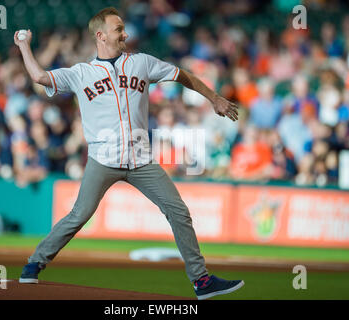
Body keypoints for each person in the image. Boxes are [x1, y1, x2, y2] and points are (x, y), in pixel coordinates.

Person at [15, 7, 243, 300]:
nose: (125, 34)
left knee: (178, 211)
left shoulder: (142, 63)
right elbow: (38, 76)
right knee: (79, 214)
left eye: (123, 28)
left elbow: (181, 74)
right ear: (101, 35)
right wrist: (24, 45)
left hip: (141, 160)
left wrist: (214, 98)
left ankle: (202, 281)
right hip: (103, 160)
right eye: (118, 29)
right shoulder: (81, 73)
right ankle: (34, 263)